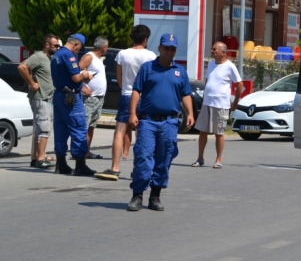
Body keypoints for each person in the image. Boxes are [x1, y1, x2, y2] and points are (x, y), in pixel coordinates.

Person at [126, 33, 194, 211]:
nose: (169, 51)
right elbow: (136, 91)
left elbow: (186, 94)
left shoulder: (180, 71)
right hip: (147, 121)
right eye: (166, 47)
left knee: (164, 159)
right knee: (143, 157)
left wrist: (191, 114)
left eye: (172, 48)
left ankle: (155, 196)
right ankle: (137, 195)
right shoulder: (148, 68)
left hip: (169, 123)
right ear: (159, 48)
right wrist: (133, 113)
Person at [96, 25, 156, 181]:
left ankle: (115, 168)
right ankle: (137, 169)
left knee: (119, 132)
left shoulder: (122, 54)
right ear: (145, 39)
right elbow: (153, 79)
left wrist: (126, 90)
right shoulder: (151, 56)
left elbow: (119, 77)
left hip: (127, 94)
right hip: (144, 96)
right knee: (141, 134)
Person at [50, 33, 95, 175]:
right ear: (75, 44)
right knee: (79, 128)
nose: (78, 51)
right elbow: (76, 77)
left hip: (58, 94)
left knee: (60, 129)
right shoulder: (68, 56)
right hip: (70, 97)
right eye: (79, 48)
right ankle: (80, 164)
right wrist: (85, 75)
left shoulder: (56, 55)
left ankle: (61, 163)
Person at [192, 41, 242, 169]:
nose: (212, 51)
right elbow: (208, 80)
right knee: (202, 131)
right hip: (207, 102)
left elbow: (239, 84)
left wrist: (235, 101)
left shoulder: (230, 66)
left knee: (218, 133)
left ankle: (218, 159)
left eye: (215, 49)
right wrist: (204, 96)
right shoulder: (210, 64)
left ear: (223, 52)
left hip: (221, 105)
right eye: (212, 49)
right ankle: (200, 158)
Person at [17, 34, 60, 168]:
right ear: (47, 45)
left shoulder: (50, 58)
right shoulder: (39, 57)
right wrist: (31, 82)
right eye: (56, 45)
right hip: (41, 98)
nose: (58, 48)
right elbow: (22, 67)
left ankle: (36, 158)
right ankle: (41, 159)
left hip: (48, 98)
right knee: (44, 129)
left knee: (40, 129)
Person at [79, 36, 108, 160]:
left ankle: (87, 151)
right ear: (103, 47)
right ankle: (79, 152)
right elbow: (75, 72)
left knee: (91, 125)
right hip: (89, 98)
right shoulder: (89, 57)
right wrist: (82, 87)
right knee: (84, 126)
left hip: (98, 98)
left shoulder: (98, 59)